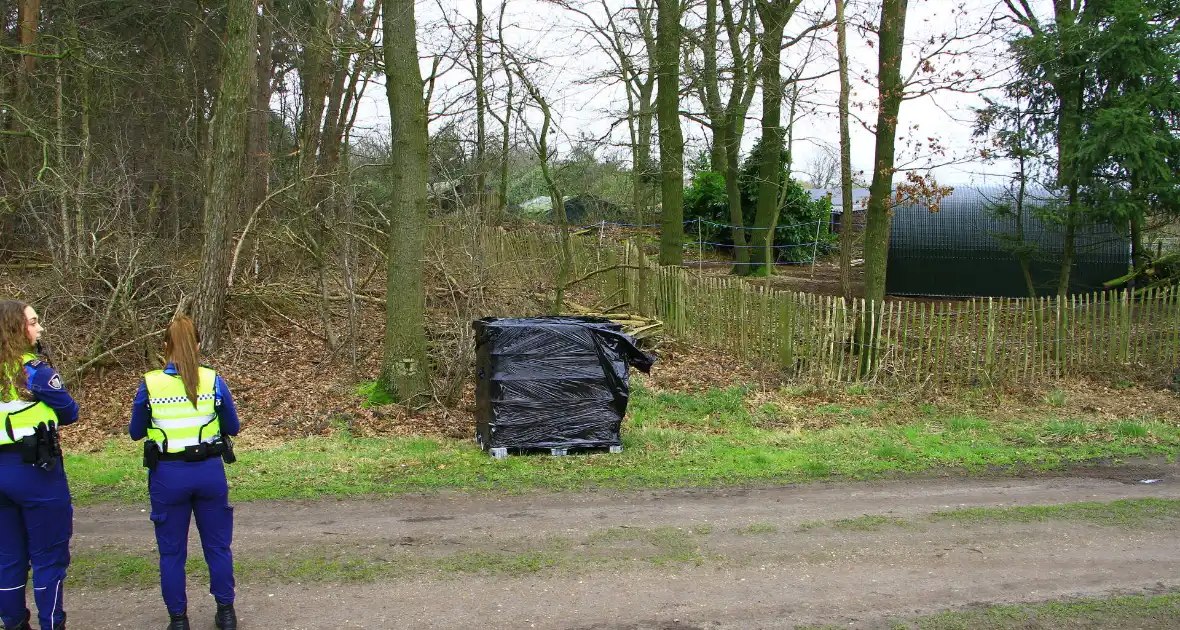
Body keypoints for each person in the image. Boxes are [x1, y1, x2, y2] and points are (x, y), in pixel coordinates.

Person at [129, 315, 240, 630]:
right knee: (217, 545)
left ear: (165, 346)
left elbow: (136, 432)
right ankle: (226, 613)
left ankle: (178, 620)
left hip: (168, 475)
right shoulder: (213, 380)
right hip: (208, 471)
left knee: (172, 552)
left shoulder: (151, 384)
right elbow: (233, 426)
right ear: (198, 344)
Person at [0, 300, 78, 630]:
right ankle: (51, 623)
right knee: (49, 556)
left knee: (8, 559)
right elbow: (70, 412)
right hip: (35, 472)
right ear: (18, 329)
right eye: (33, 322)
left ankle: (13, 622)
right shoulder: (34, 373)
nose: (39, 328)